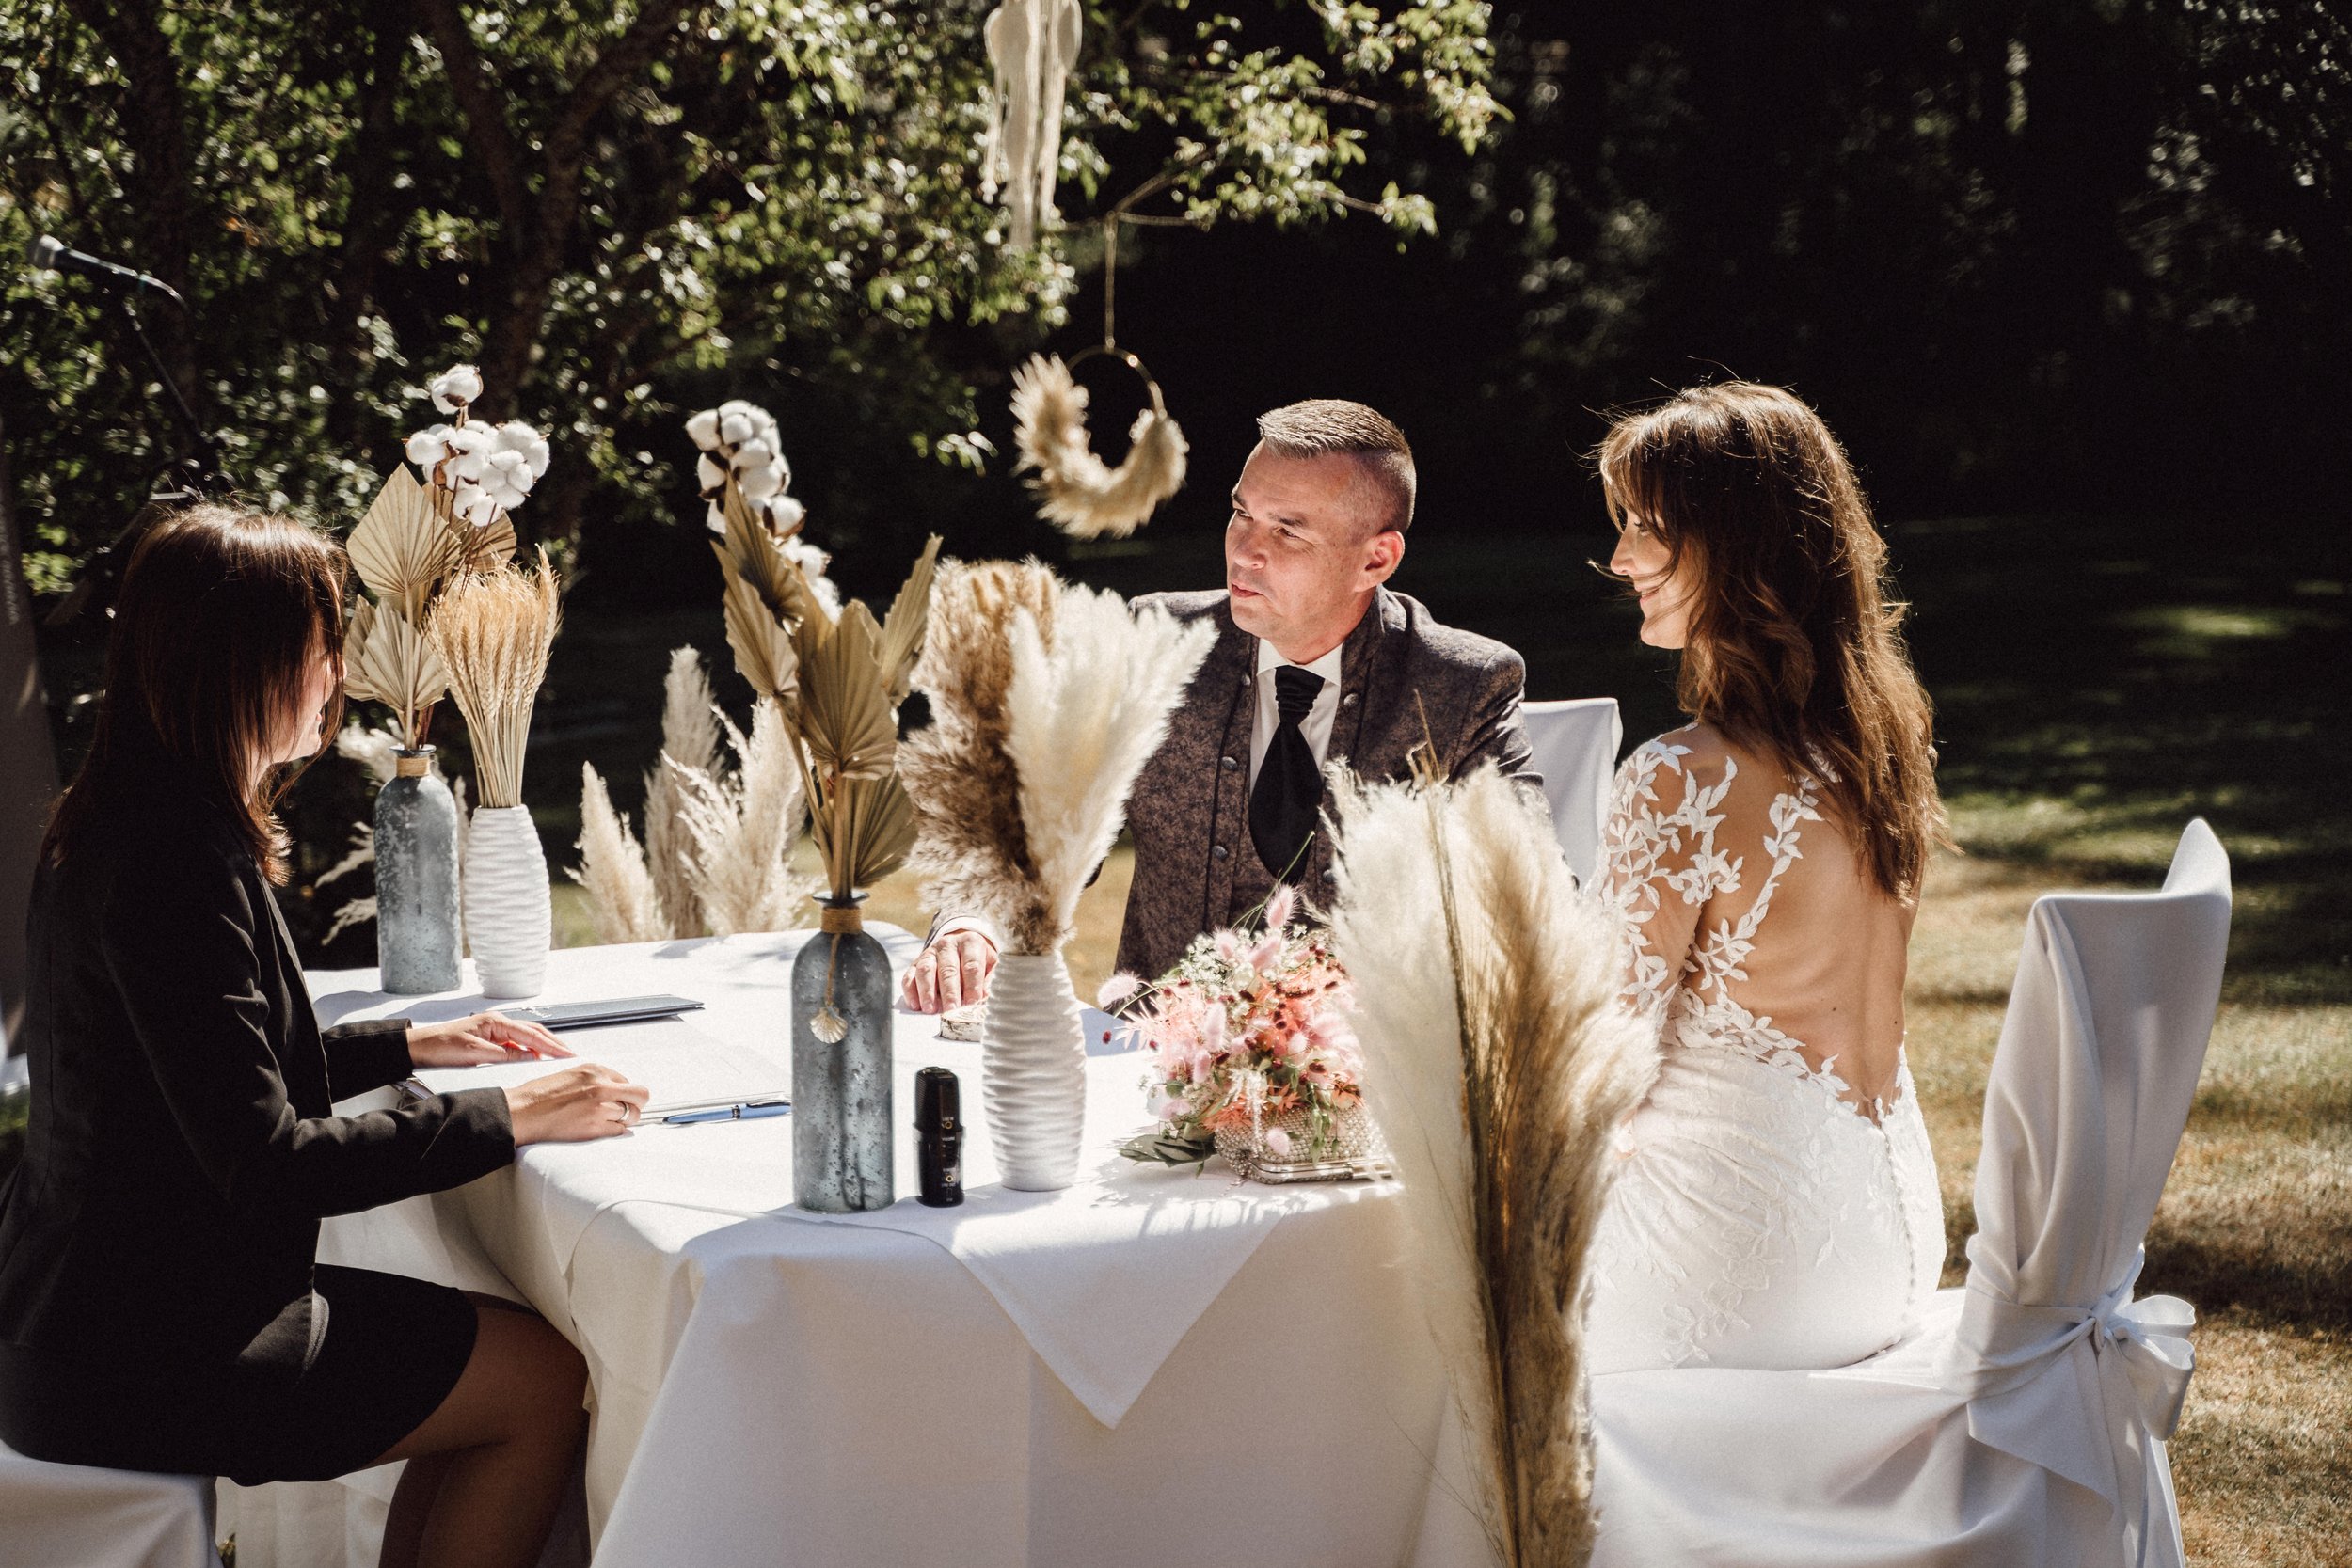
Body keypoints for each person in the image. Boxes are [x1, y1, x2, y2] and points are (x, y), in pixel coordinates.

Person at [0, 506, 648, 1568]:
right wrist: (510, 1114)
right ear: (238, 667)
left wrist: (407, 1048)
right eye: (320, 651)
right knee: (536, 1382)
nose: (338, 677)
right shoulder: (175, 861)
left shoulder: (122, 815)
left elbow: (190, 1066)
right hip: (149, 1350)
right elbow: (265, 1159)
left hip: (90, 1315)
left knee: (500, 1369)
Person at [1582, 382, 1949, 1374]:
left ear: (1736, 543)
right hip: (1894, 1237)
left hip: (1745, 1266)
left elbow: (1600, 1064)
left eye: (1648, 529)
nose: (1620, 559)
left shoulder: (1678, 776)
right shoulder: (1882, 741)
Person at [1116, 399, 1540, 982]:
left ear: (1376, 559)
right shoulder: (1155, 641)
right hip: (1144, 1056)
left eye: (1287, 531)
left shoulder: (1462, 688)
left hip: (1360, 1065)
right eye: (1242, 513)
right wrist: (970, 922)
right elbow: (1032, 822)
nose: (1243, 552)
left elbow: (1532, 894)